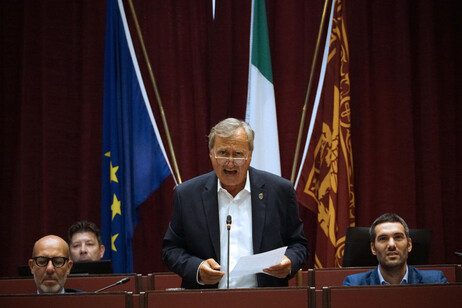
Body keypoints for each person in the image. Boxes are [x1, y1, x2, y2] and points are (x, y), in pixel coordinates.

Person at [162, 118, 308, 289]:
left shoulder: (279, 191)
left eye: (238, 154)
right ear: (211, 154)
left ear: (250, 156)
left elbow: (299, 245)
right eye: (222, 152)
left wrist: (289, 261)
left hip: (265, 299)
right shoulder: (187, 195)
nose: (230, 162)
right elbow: (171, 250)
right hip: (207, 300)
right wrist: (197, 268)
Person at [343, 213, 447, 285]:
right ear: (373, 248)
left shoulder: (435, 281)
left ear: (409, 245)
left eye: (398, 237)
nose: (391, 245)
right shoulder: (354, 284)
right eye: (383, 239)